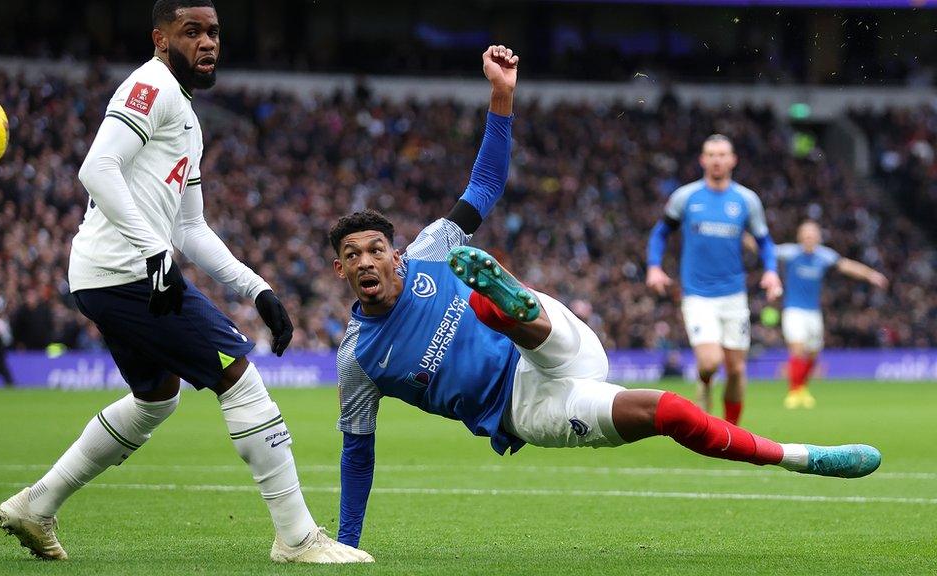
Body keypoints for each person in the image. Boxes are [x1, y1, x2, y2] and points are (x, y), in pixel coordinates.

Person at [328, 45, 880, 553]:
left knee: (518, 316)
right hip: (525, 409)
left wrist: (502, 96)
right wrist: (347, 543)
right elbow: (358, 453)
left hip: (557, 346)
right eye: (352, 256)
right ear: (340, 271)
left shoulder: (429, 248)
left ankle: (501, 303)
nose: (366, 261)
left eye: (376, 248)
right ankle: (800, 457)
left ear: (396, 254)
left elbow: (486, 186)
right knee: (665, 409)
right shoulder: (357, 358)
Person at [0, 1, 371, 564]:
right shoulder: (151, 87)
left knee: (155, 398)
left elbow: (190, 227)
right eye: (190, 31)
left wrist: (257, 288)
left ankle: (36, 505)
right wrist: (153, 254)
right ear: (160, 38)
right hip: (125, 272)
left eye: (213, 32)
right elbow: (96, 168)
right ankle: (297, 538)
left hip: (110, 273)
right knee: (239, 378)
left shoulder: (188, 117)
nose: (206, 42)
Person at [645, 134, 783, 424]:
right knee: (709, 362)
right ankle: (705, 383)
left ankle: (731, 431)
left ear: (732, 160)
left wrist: (771, 271)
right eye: (711, 154)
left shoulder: (746, 200)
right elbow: (660, 233)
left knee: (735, 369)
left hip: (733, 294)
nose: (717, 159)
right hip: (697, 294)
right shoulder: (686, 197)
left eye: (722, 154)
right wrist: (654, 266)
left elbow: (765, 241)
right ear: (702, 160)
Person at [776, 221, 888, 408]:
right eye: (805, 234)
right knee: (797, 348)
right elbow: (763, 248)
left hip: (813, 312)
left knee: (813, 352)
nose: (809, 238)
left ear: (818, 237)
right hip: (793, 309)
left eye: (812, 235)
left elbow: (847, 265)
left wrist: (871, 275)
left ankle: (802, 388)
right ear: (799, 237)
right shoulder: (789, 252)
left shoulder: (824, 256)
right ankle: (794, 391)